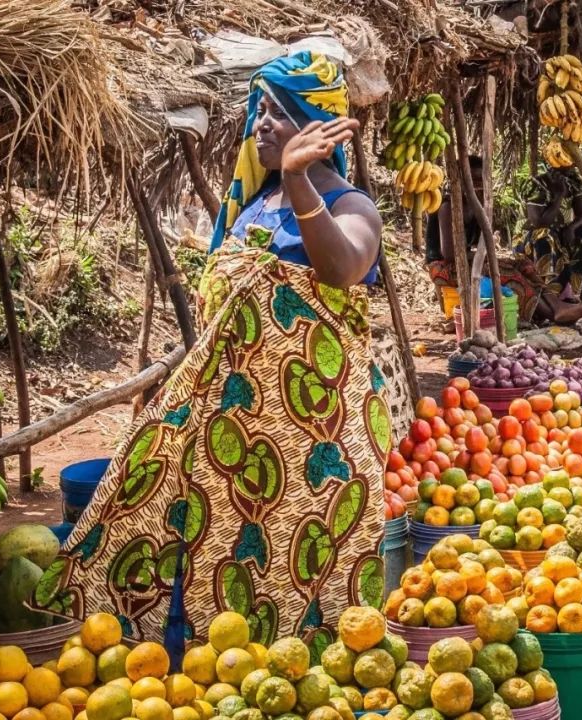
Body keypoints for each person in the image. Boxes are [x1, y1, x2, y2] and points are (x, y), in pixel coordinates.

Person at [31, 52, 389, 645]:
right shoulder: (252, 206)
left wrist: (300, 180)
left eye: (279, 110)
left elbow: (342, 269)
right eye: (259, 110)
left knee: (296, 582)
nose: (261, 124)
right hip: (232, 433)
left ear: (316, 121)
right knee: (207, 559)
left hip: (312, 445)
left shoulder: (352, 207)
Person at [425, 156, 540, 323]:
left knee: (525, 265)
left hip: (469, 259)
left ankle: (554, 304)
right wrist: (487, 258)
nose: (478, 186)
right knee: (510, 274)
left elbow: (482, 244)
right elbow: (450, 255)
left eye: (481, 181)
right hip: (443, 267)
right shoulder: (448, 207)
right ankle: (541, 312)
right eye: (474, 181)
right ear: (461, 182)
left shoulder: (477, 206)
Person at [518, 166, 582, 321]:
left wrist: (572, 227)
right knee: (546, 237)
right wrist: (559, 195)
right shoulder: (536, 184)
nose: (570, 169)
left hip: (561, 234)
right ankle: (554, 300)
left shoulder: (573, 181)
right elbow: (539, 223)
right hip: (531, 241)